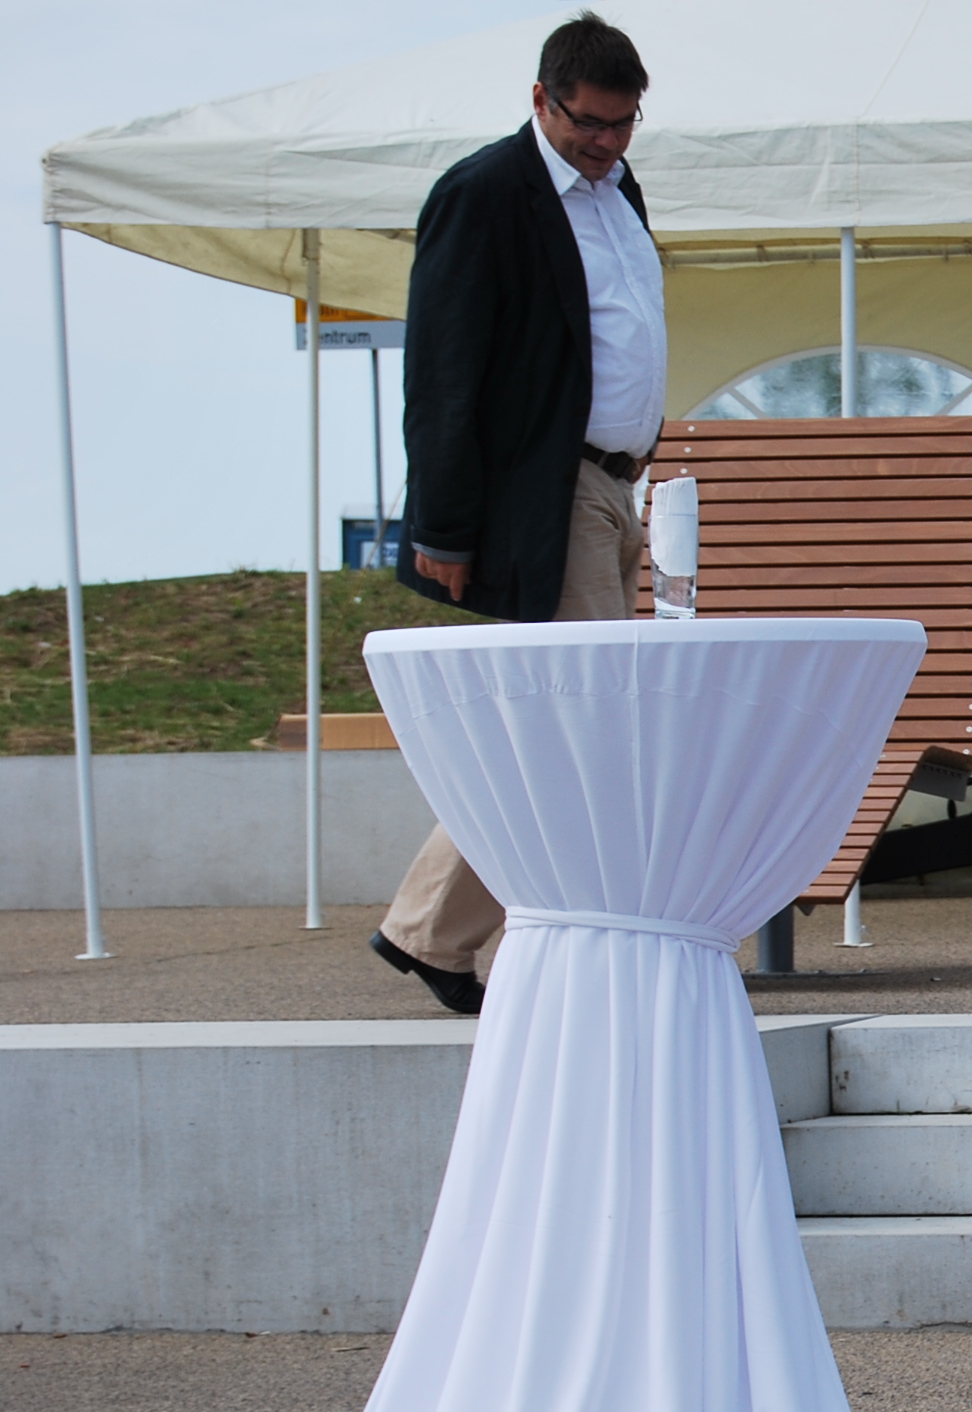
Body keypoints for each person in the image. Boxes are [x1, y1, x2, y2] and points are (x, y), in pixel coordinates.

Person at [368, 12, 663, 1014]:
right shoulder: (484, 192)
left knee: (565, 724)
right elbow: (442, 371)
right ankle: (443, 933)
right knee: (581, 725)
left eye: (623, 124)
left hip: (617, 487)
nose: (607, 142)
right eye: (589, 123)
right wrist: (444, 525)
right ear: (541, 100)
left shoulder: (619, 191)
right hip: (551, 491)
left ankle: (434, 932)